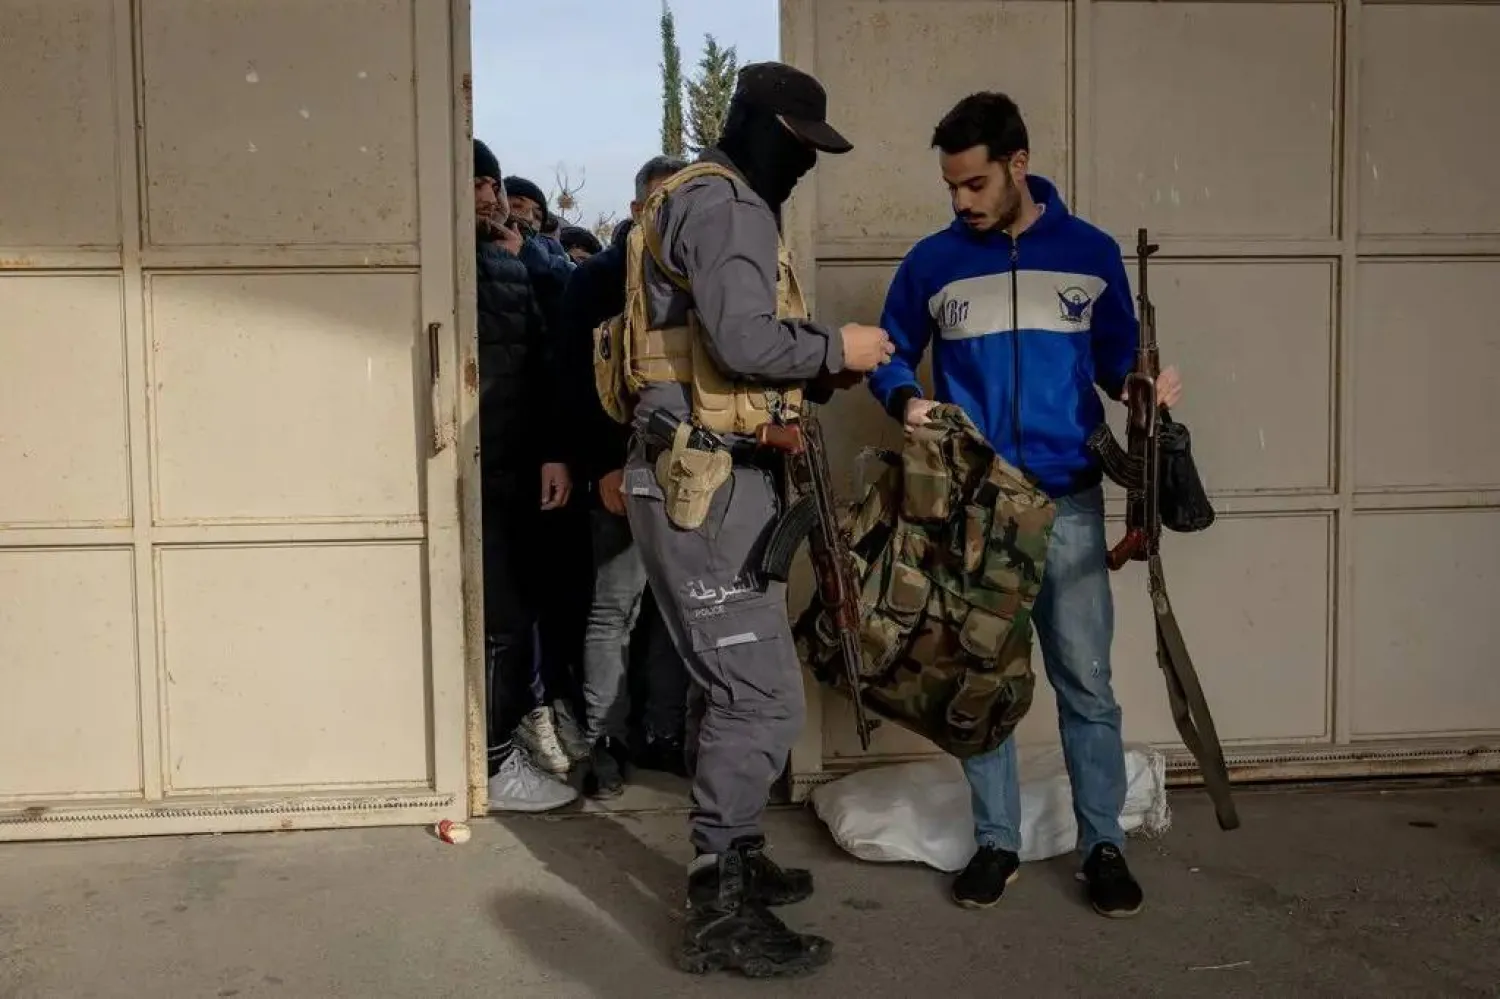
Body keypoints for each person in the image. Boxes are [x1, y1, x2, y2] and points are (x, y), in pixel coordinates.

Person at [867, 92, 1184, 918]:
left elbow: (1117, 358)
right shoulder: (933, 262)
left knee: (1086, 681)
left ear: (1017, 164)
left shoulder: (1091, 252)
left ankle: (1102, 844)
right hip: (971, 505)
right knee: (981, 678)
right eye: (951, 188)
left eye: (973, 184)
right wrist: (904, 397)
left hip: (1069, 500)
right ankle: (996, 842)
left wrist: (1142, 386)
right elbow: (888, 351)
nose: (961, 201)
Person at [616, 62, 893, 976]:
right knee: (759, 691)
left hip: (700, 477)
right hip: (707, 488)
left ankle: (728, 852)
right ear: (762, 127)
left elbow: (710, 348)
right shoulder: (731, 207)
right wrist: (837, 346)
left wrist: (810, 374)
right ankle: (719, 903)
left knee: (723, 681)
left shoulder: (685, 198)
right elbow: (740, 340)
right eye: (801, 147)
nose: (808, 167)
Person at [560, 154, 693, 801]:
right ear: (638, 209)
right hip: (618, 475)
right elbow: (574, 383)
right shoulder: (598, 281)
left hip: (689, 480)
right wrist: (600, 467)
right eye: (663, 204)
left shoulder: (700, 279)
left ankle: (660, 734)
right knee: (613, 608)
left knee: (675, 613)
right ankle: (603, 741)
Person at [471, 138, 577, 811]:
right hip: (455, 472)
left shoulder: (509, 266)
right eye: (475, 185)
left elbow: (543, 362)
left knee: (507, 621)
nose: (486, 198)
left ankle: (490, 756)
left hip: (507, 472)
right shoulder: (427, 270)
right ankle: (484, 759)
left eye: (490, 185)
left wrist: (552, 452)